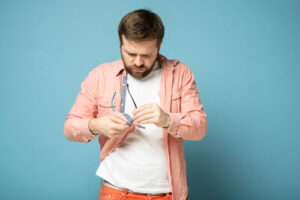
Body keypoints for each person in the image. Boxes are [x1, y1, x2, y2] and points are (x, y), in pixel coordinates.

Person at [64, 9, 207, 200]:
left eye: (147, 55)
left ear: (159, 45)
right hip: (115, 192)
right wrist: (98, 125)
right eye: (130, 53)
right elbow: (70, 127)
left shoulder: (180, 73)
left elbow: (200, 127)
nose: (138, 62)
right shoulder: (100, 76)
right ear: (120, 44)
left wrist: (167, 120)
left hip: (168, 194)